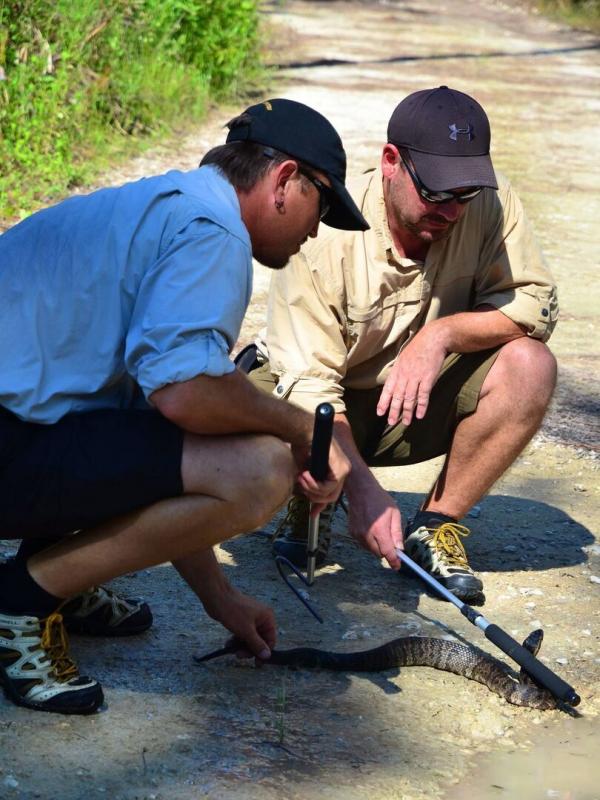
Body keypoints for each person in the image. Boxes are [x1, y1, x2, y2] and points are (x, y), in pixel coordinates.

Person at [0, 98, 366, 714]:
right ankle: (22, 599)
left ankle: (63, 572)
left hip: (20, 430)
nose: (315, 232)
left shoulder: (164, 206)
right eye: (322, 205)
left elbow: (157, 429)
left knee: (149, 424)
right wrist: (301, 430)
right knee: (261, 468)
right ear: (283, 181)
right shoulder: (214, 231)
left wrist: (220, 599)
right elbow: (185, 394)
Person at [250, 86, 558, 605]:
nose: (453, 210)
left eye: (465, 194)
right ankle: (313, 501)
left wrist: (442, 336)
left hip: (411, 402)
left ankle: (435, 527)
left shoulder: (491, 201)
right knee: (250, 417)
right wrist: (363, 491)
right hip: (325, 410)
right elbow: (308, 386)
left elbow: (536, 302)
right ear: (391, 162)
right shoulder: (324, 232)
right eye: (437, 192)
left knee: (531, 364)